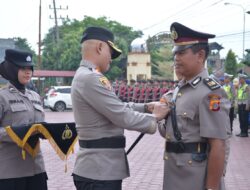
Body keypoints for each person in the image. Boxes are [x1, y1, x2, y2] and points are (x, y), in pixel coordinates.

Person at [71, 26, 169, 190]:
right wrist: (155, 118)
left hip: (100, 169)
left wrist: (145, 107)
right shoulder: (91, 78)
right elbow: (121, 115)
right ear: (100, 48)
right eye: (110, 53)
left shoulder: (86, 75)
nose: (111, 59)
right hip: (99, 171)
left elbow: (116, 106)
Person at [158, 22, 230, 190]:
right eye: (175, 53)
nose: (176, 58)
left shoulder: (210, 92)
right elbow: (174, 132)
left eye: (182, 53)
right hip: (174, 173)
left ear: (200, 55)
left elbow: (218, 145)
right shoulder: (179, 90)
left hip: (195, 179)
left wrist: (211, 187)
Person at [0, 49, 47, 190]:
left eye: (30, 68)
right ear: (12, 69)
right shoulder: (2, 97)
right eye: (22, 68)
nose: (28, 72)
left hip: (37, 169)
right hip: (10, 172)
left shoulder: (35, 96)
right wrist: (18, 133)